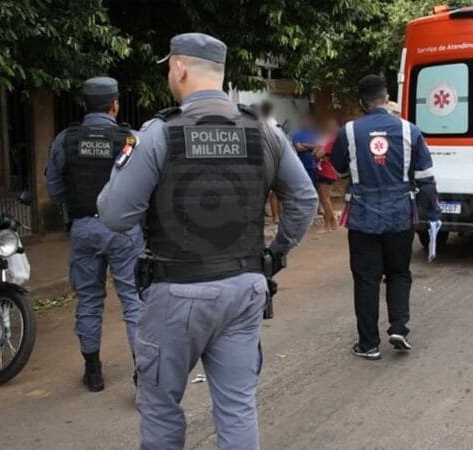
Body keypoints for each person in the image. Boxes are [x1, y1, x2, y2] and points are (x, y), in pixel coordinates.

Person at [96, 33, 318, 449]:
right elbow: (304, 198)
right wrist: (277, 252)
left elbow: (114, 214)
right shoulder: (264, 131)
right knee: (237, 407)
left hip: (176, 293)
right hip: (245, 287)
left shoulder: (158, 134)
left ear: (178, 68)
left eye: (168, 67)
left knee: (161, 409)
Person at [331, 75, 441, 360]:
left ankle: (368, 343)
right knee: (399, 273)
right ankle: (399, 328)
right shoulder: (409, 130)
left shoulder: (349, 131)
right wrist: (432, 215)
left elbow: (338, 166)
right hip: (400, 215)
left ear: (361, 102)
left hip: (363, 216)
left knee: (366, 279)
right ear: (387, 96)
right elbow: (426, 178)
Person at [45, 77, 143, 393]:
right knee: (133, 300)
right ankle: (143, 374)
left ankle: (94, 373)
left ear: (84, 104)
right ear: (114, 104)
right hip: (124, 229)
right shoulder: (129, 139)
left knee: (88, 299)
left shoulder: (66, 139)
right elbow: (146, 186)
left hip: (84, 227)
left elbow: (55, 190)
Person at [313, 117, 340, 230]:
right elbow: (316, 151)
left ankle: (328, 224)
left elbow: (318, 154)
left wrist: (318, 150)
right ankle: (331, 222)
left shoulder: (331, 139)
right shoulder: (329, 138)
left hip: (327, 170)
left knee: (325, 198)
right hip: (325, 170)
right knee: (324, 198)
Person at [259, 100, 284, 224]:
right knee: (275, 191)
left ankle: (275, 216)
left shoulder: (258, 124)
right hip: (274, 161)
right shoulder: (273, 124)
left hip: (264, 162)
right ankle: (277, 216)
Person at [291, 113, 319, 186]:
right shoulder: (297, 134)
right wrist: (312, 147)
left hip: (314, 167)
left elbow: (318, 147)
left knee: (314, 187)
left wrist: (305, 144)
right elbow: (298, 148)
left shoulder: (315, 133)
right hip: (301, 166)